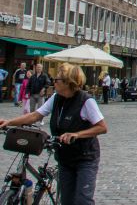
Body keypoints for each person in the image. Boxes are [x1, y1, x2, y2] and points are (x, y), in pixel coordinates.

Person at [0, 62, 108, 205]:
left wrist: (77, 134)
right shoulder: (56, 98)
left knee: (82, 200)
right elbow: (35, 115)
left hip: (85, 158)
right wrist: (9, 122)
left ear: (68, 82)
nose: (53, 82)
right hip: (64, 157)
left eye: (57, 79)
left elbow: (102, 127)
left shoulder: (86, 101)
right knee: (67, 201)